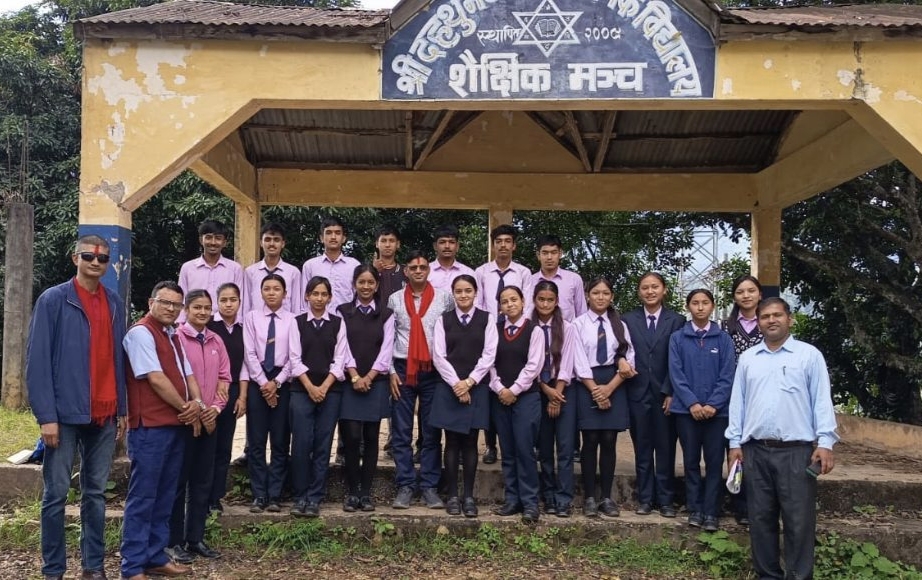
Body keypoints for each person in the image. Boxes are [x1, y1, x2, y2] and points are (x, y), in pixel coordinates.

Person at [26, 235, 127, 580]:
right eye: (89, 256)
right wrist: (46, 417)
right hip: (64, 413)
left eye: (102, 258)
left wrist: (122, 408)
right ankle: (53, 569)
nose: (96, 263)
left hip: (105, 411)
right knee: (55, 496)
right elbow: (37, 361)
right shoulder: (54, 300)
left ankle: (93, 566)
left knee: (95, 494)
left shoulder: (114, 302)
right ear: (75, 258)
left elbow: (117, 358)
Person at [727, 297, 838, 579]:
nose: (771, 320)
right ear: (759, 322)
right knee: (760, 518)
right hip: (755, 452)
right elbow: (737, 403)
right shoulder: (749, 359)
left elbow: (821, 402)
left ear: (790, 319)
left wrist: (825, 443)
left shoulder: (808, 355)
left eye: (777, 315)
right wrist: (734, 443)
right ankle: (768, 575)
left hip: (796, 452)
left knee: (798, 521)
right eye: (765, 317)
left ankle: (799, 576)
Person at [121, 281, 204, 580]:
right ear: (151, 302)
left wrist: (196, 403)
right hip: (150, 428)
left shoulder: (173, 336)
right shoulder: (141, 333)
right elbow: (155, 378)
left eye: (176, 305)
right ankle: (132, 566)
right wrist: (186, 407)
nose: (171, 308)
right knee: (143, 497)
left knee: (165, 496)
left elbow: (187, 373)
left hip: (174, 426)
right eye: (165, 302)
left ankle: (154, 556)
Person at [388, 251, 454, 510]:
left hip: (432, 370)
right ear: (406, 271)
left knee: (431, 431)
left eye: (423, 267)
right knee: (401, 431)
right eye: (413, 267)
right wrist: (391, 370)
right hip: (402, 368)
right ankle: (405, 484)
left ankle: (429, 486)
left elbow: (449, 331)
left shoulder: (443, 298)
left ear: (429, 270)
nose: (418, 270)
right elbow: (388, 337)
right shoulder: (394, 300)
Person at [169, 290, 230, 562]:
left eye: (207, 308)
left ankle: (195, 538)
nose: (203, 312)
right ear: (186, 309)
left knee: (202, 482)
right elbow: (172, 378)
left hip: (209, 421)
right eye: (197, 307)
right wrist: (192, 410)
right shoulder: (176, 339)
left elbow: (224, 378)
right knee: (178, 481)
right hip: (183, 420)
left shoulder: (217, 340)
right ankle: (173, 541)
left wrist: (215, 409)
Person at [668, 289, 736, 532]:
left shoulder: (723, 339)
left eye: (705, 303)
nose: (700, 307)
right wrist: (693, 404)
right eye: (695, 303)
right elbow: (676, 375)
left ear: (713, 306)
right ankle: (695, 509)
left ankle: (712, 512)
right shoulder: (678, 338)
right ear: (688, 307)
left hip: (718, 415)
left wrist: (712, 405)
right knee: (690, 461)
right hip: (687, 413)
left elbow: (727, 376)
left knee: (715, 462)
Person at [431, 275, 498, 517]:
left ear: (475, 292)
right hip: (450, 386)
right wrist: (457, 384)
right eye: (458, 291)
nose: (463, 295)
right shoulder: (444, 320)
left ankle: (468, 496)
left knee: (471, 441)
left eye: (468, 290)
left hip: (476, 385)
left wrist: (469, 382)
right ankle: (451, 496)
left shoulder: (486, 319)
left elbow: (489, 354)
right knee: (451, 442)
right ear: (453, 294)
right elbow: (438, 355)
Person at [621, 272, 684, 518]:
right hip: (637, 392)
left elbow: (677, 360)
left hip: (664, 394)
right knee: (643, 448)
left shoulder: (676, 320)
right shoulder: (628, 319)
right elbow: (621, 350)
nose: (650, 291)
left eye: (654, 287)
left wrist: (670, 390)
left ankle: (666, 500)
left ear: (664, 290)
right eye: (645, 287)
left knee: (666, 448)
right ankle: (645, 499)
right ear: (639, 291)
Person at [573, 277, 636, 518]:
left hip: (615, 382)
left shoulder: (619, 324)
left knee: (609, 440)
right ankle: (589, 497)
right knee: (589, 440)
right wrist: (595, 390)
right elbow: (577, 360)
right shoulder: (578, 324)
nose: (601, 297)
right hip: (586, 381)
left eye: (606, 293)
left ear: (612, 296)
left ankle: (607, 497)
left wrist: (609, 389)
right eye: (596, 293)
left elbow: (630, 357)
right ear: (588, 295)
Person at [287, 276, 348, 517]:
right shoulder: (297, 322)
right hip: (301, 390)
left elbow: (340, 359)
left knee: (323, 444)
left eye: (324, 294)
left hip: (330, 391)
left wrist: (324, 386)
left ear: (330, 297)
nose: (319, 298)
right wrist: (311, 387)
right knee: (301, 443)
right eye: (315, 294)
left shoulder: (337, 323)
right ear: (307, 296)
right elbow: (294, 358)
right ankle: (300, 495)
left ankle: (315, 496)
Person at [337, 266, 395, 512]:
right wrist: (354, 375)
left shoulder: (386, 314)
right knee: (351, 438)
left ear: (377, 285)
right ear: (354, 284)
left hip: (375, 382)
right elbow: (341, 347)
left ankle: (365, 492)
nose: (366, 287)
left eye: (371, 282)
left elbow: (387, 348)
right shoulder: (342, 312)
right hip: (350, 382)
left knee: (371, 437)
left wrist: (369, 376)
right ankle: (351, 492)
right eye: (361, 282)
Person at [475, 224, 533, 465]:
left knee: (514, 378)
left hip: (515, 332)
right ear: (493, 244)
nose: (503, 245)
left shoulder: (523, 273)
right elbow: (478, 302)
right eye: (498, 241)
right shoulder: (482, 272)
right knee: (491, 386)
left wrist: (519, 328)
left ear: (514, 245)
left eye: (508, 241)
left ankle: (519, 441)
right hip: (490, 332)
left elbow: (527, 304)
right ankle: (490, 445)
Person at [490, 285, 544, 524]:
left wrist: (514, 390)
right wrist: (500, 388)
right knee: (508, 450)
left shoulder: (534, 330)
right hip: (500, 397)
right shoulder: (495, 330)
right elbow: (488, 361)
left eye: (514, 299)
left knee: (524, 450)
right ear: (500, 307)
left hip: (526, 397)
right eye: (504, 301)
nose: (510, 304)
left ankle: (531, 502)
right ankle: (512, 499)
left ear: (523, 302)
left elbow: (534, 365)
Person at [243, 273, 297, 513]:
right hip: (258, 381)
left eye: (277, 289)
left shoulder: (293, 320)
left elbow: (294, 356)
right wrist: (265, 384)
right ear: (261, 292)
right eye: (267, 288)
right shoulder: (251, 318)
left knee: (280, 440)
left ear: (285, 294)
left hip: (283, 382)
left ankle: (275, 494)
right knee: (256, 441)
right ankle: (259, 494)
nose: (272, 292)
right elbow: (250, 353)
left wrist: (277, 382)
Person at [530, 281, 578, 518]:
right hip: (537, 390)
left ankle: (563, 498)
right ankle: (548, 495)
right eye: (541, 299)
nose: (545, 304)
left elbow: (568, 363)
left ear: (557, 301)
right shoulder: (529, 327)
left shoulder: (568, 328)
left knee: (566, 449)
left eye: (550, 300)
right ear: (534, 300)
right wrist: (545, 390)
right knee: (545, 448)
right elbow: (530, 364)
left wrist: (556, 395)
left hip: (563, 391)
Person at [720, 274, 763, 526]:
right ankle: (741, 505)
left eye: (750, 291)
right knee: (734, 452)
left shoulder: (769, 323)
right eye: (740, 292)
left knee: (759, 452)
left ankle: (761, 503)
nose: (746, 295)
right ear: (734, 297)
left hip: (762, 396)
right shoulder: (725, 327)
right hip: (732, 396)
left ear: (759, 294)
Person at [207, 283, 248, 515]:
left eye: (233, 300)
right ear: (217, 302)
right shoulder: (209, 327)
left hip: (231, 392)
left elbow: (245, 366)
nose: (228, 304)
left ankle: (216, 497)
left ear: (239, 302)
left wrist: (242, 396)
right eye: (224, 300)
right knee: (206, 445)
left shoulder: (243, 330)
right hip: (208, 391)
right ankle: (200, 494)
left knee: (224, 447)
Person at [178, 219, 245, 322]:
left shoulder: (235, 269)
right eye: (208, 238)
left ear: (224, 242)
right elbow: (182, 299)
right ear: (201, 240)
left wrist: (238, 325)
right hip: (195, 322)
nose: (213, 242)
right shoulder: (188, 268)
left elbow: (239, 300)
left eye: (218, 238)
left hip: (224, 323)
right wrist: (180, 324)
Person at [301, 216, 361, 313]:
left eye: (337, 233)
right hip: (317, 323)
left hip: (347, 322)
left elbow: (358, 298)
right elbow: (304, 301)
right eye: (328, 233)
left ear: (343, 238)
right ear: (321, 238)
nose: (333, 237)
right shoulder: (310, 266)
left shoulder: (354, 265)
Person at [244, 222, 303, 314]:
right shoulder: (250, 272)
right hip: (256, 326)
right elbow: (246, 305)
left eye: (276, 240)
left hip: (285, 326)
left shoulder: (293, 272)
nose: (272, 244)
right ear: (260, 243)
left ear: (283, 243)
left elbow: (296, 307)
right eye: (267, 239)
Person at [530, 235, 586, 322]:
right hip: (536, 332)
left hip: (567, 333)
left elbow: (582, 313)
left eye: (553, 252)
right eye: (545, 253)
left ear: (560, 254)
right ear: (538, 255)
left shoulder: (574, 279)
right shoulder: (529, 281)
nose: (549, 257)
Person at [428, 224, 475, 293]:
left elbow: (475, 300)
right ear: (435, 246)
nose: (447, 246)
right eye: (442, 242)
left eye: (451, 242)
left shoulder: (468, 273)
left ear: (457, 246)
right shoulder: (425, 272)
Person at [373, 224, 407, 301]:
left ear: (398, 244)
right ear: (377, 244)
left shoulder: (406, 272)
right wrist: (374, 271)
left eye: (391, 241)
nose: (387, 245)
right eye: (383, 241)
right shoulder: (367, 271)